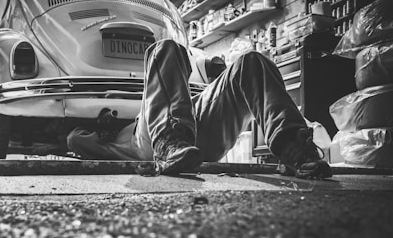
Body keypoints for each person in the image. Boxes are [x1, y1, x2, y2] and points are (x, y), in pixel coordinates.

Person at [67, 39, 332, 180]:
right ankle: (170, 144)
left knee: (251, 62)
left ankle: (294, 149)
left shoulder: (158, 100)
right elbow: (74, 138)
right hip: (156, 143)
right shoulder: (109, 138)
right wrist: (105, 126)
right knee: (165, 48)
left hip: (195, 131)